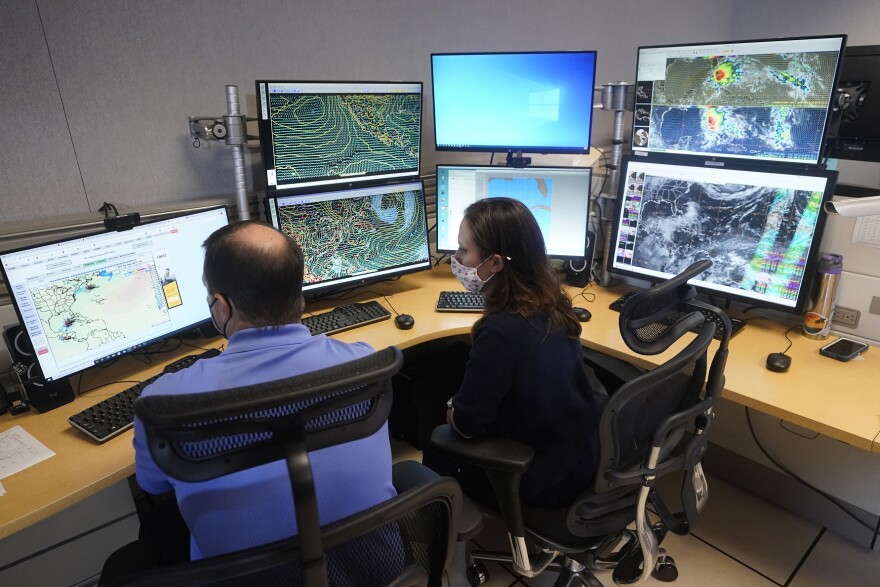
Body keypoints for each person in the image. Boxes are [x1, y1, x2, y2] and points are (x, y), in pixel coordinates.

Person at [101, 221, 395, 580]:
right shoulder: (363, 364)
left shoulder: (164, 404)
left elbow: (154, 486)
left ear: (222, 307)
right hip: (375, 570)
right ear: (298, 291)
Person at [429, 197, 602, 508]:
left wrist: (454, 408)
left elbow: (466, 426)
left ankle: (451, 538)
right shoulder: (553, 300)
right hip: (581, 461)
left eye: (464, 250)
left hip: (538, 480)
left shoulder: (499, 331)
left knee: (436, 441)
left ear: (495, 263)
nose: (454, 258)